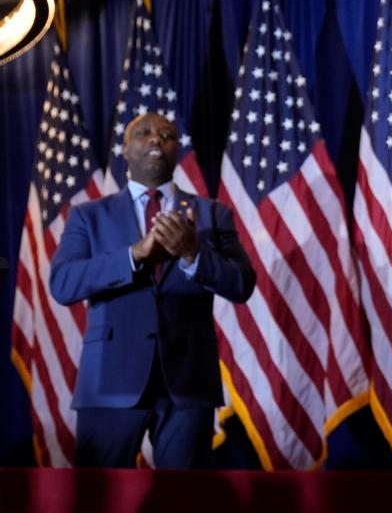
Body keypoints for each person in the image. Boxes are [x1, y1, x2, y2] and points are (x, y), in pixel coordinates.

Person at [50, 112, 255, 468]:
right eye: (143, 134)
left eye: (167, 135)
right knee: (101, 499)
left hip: (188, 385)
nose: (156, 140)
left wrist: (194, 253)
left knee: (182, 502)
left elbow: (242, 284)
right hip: (109, 384)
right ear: (125, 150)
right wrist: (134, 255)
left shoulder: (213, 214)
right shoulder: (89, 216)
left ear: (178, 151)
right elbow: (64, 283)